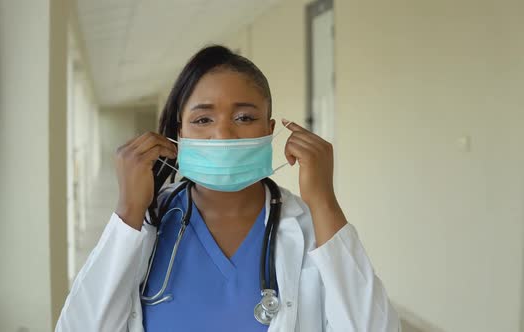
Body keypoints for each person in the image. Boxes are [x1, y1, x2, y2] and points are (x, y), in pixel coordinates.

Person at [55, 45, 400, 332]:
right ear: (180, 133)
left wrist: (324, 201)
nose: (223, 134)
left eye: (244, 118)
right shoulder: (146, 223)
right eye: (203, 119)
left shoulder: (311, 227)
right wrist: (128, 211)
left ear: (269, 130)